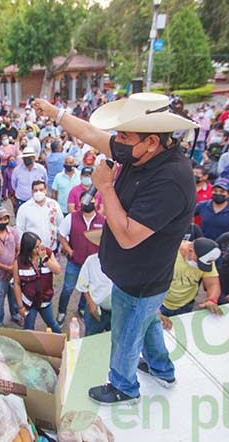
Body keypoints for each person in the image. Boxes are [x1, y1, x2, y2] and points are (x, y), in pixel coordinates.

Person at [33, 92, 198, 405]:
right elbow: (93, 134)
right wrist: (56, 113)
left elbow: (127, 236)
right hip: (135, 276)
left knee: (126, 332)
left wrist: (105, 186)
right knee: (147, 323)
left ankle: (123, 386)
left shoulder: (171, 180)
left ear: (152, 140)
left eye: (125, 135)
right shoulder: (142, 151)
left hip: (140, 279)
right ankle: (161, 368)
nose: (117, 141)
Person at [56, 191, 105, 323]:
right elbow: (61, 236)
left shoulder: (103, 220)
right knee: (67, 288)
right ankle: (61, 312)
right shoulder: (71, 218)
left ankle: (82, 308)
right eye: (86, 200)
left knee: (88, 288)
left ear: (96, 203)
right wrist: (70, 251)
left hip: (94, 265)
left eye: (92, 200)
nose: (89, 203)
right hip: (75, 262)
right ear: (80, 203)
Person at [158, 238, 223, 329]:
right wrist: (153, 310)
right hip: (159, 303)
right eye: (198, 262)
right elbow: (146, 281)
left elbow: (213, 284)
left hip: (185, 305)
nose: (199, 266)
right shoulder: (168, 251)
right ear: (190, 250)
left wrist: (211, 300)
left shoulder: (206, 258)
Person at [13, 232, 62, 332]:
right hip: (29, 301)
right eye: (36, 247)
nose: (40, 248)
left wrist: (45, 259)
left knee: (51, 322)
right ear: (28, 249)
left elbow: (57, 270)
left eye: (40, 245)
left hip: (45, 299)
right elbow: (17, 284)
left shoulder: (47, 253)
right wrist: (20, 306)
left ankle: (63, 341)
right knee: (29, 327)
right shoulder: (19, 262)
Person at [0, 207, 21, 326]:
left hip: (13, 273)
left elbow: (18, 250)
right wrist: (6, 268)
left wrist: (14, 267)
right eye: (0, 219)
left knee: (14, 297)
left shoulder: (13, 232)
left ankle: (15, 315)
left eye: (5, 218)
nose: (3, 221)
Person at [76, 230, 113, 336]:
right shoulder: (91, 261)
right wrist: (91, 305)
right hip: (96, 308)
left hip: (116, 310)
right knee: (91, 338)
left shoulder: (123, 262)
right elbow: (83, 285)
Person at [16, 180, 63, 252]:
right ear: (32, 192)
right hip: (32, 250)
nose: (38, 192)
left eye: (41, 190)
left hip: (51, 248)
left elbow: (61, 224)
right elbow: (20, 229)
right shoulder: (24, 208)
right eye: (35, 190)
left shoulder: (54, 205)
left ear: (46, 190)